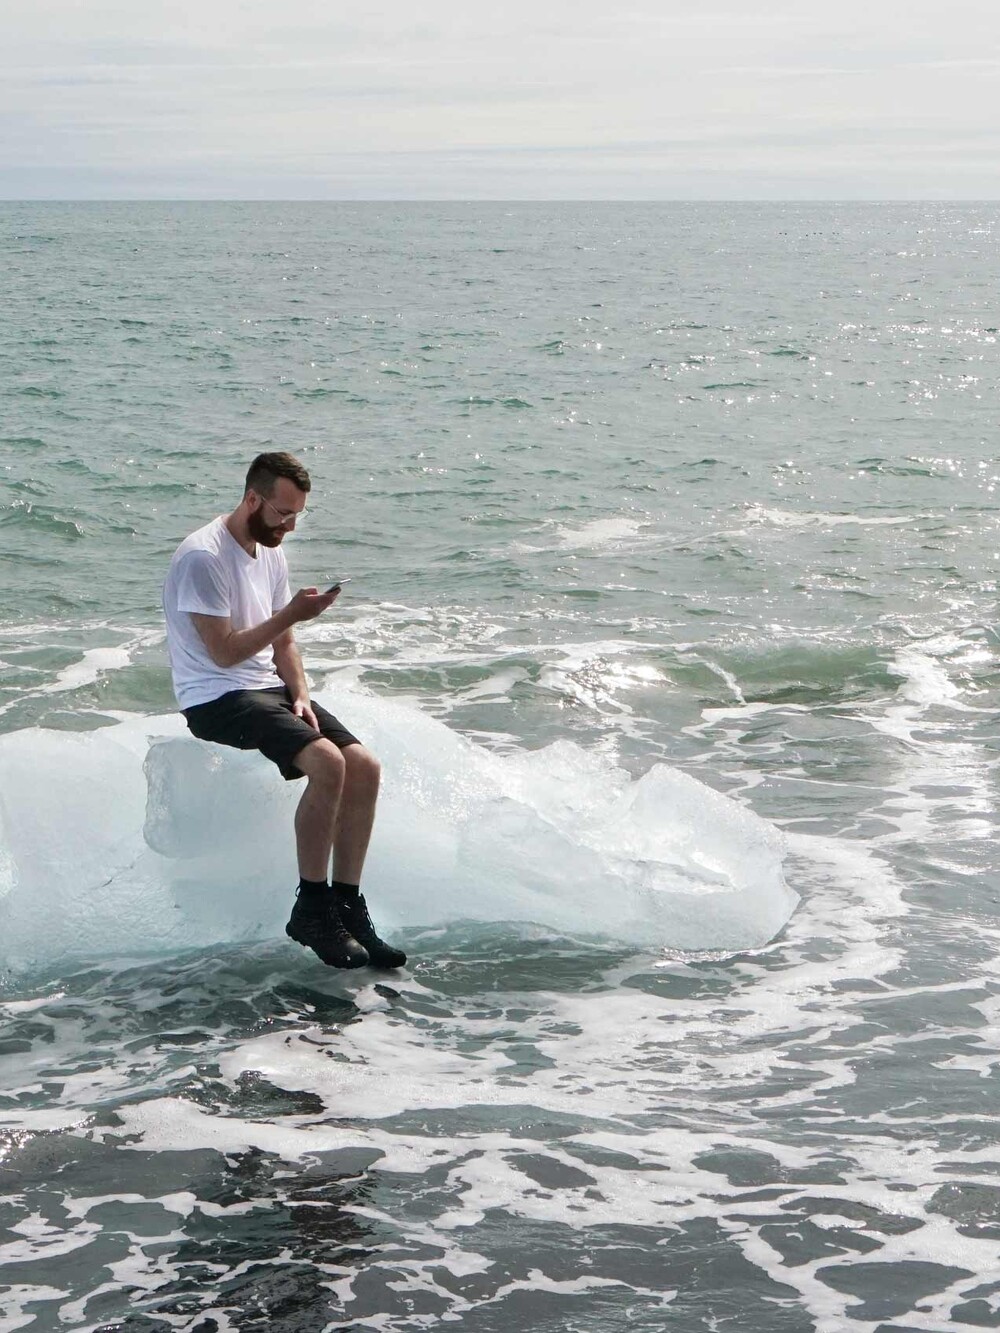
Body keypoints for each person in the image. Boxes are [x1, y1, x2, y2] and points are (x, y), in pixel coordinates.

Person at [162, 450, 405, 970]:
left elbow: (285, 644)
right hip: (214, 696)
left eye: (297, 515)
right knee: (328, 763)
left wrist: (298, 691)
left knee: (364, 766)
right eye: (281, 513)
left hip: (268, 689)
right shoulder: (203, 557)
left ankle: (347, 906)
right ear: (253, 498)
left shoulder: (270, 552)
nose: (289, 526)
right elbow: (224, 652)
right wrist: (293, 611)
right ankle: (312, 908)